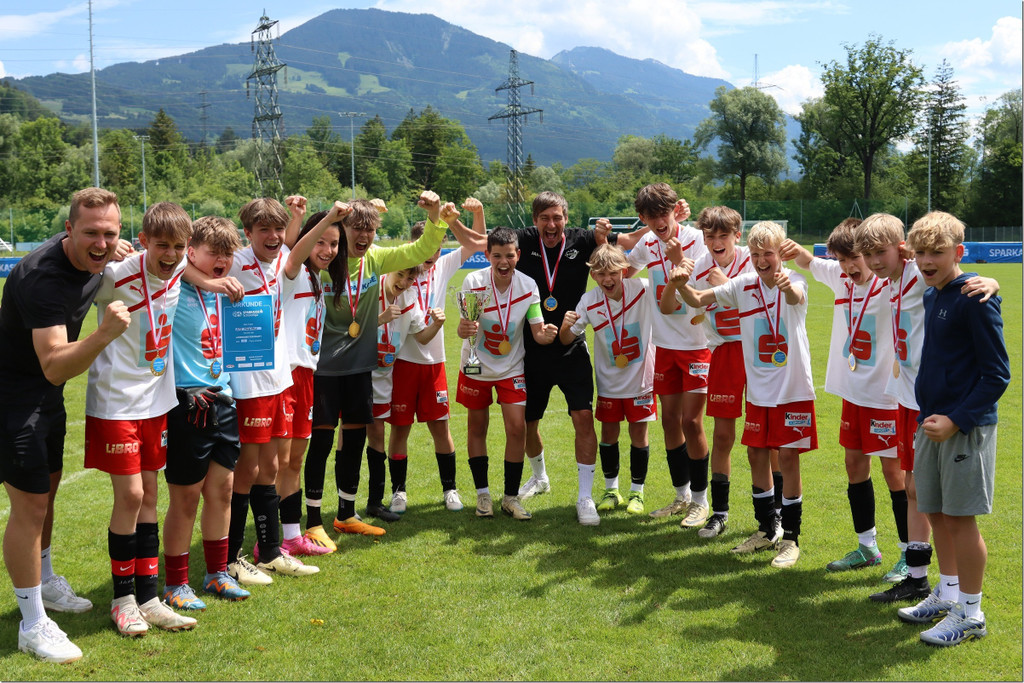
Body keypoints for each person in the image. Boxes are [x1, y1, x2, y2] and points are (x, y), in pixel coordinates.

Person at [0, 187, 131, 662]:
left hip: (44, 396)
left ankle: (46, 579)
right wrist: (104, 333)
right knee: (30, 505)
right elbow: (55, 366)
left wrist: (111, 248)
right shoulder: (42, 278)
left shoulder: (98, 254)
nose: (102, 243)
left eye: (110, 233)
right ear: (68, 230)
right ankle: (32, 624)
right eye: (91, 233)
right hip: (13, 398)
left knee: (49, 491)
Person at [855, 214, 1000, 604]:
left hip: (944, 407)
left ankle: (951, 596)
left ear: (900, 249)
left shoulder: (925, 278)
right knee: (920, 491)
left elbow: (960, 282)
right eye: (867, 254)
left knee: (938, 503)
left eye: (880, 252)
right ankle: (927, 580)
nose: (873, 261)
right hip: (914, 400)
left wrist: (991, 282)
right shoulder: (905, 282)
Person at [302, 192, 449, 539]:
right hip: (323, 369)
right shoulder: (323, 261)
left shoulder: (376, 258)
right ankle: (312, 521)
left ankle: (346, 514)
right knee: (321, 444)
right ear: (342, 229)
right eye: (357, 228)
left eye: (370, 229)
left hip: (359, 368)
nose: (364, 235)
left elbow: (420, 250)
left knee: (354, 441)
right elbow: (294, 252)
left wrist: (434, 216)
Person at [671, 221, 816, 568]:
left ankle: (791, 538)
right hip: (760, 390)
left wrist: (786, 287)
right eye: (755, 254)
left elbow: (795, 297)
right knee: (755, 454)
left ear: (781, 254)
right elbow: (698, 299)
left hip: (792, 388)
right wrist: (680, 285)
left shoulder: (795, 280)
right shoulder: (743, 284)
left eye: (768, 253)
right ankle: (766, 529)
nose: (762, 260)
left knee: (789, 458)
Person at [895, 212, 1009, 647]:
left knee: (961, 520)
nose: (926, 261)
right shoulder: (932, 294)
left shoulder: (975, 297)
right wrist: (932, 418)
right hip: (930, 423)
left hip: (963, 427)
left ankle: (971, 613)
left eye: (937, 252)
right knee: (936, 513)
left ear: (958, 252)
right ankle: (947, 593)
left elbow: (997, 375)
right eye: (920, 252)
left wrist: (956, 419)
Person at [511, 192, 659, 525]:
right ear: (535, 221)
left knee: (583, 418)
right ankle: (540, 477)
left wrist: (658, 225)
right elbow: (488, 246)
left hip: (571, 352)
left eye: (557, 217)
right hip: (532, 349)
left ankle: (585, 496)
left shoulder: (585, 239)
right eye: (545, 218)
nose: (552, 224)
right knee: (526, 424)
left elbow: (631, 240)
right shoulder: (523, 240)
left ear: (566, 218)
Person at [84, 202, 197, 635]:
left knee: (149, 494)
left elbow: (195, 265)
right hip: (116, 401)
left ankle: (149, 598)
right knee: (131, 495)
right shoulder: (115, 275)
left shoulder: (180, 264)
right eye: (162, 246)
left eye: (178, 246)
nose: (170, 255)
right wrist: (103, 251)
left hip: (156, 401)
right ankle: (123, 599)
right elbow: (75, 274)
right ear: (144, 241)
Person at [781, 221, 908, 580]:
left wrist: (987, 282)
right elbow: (808, 261)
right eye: (841, 259)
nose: (850, 266)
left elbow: (934, 272)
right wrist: (792, 248)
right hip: (853, 393)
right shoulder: (840, 277)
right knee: (854, 465)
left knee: (894, 473)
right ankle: (867, 547)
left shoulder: (892, 281)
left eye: (855, 257)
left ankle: (908, 553)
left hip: (886, 396)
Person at [218, 197, 318, 581]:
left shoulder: (282, 260)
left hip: (279, 376)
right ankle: (230, 557)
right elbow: (188, 264)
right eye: (264, 230)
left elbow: (296, 247)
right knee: (248, 468)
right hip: (248, 379)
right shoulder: (235, 261)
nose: (274, 236)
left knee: (273, 466)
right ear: (247, 232)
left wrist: (306, 219)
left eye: (279, 228)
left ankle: (271, 552)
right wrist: (212, 282)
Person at [161, 215, 251, 611]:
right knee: (185, 498)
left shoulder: (228, 289)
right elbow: (171, 263)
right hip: (188, 403)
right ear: (191, 250)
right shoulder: (173, 284)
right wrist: (208, 281)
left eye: (227, 254)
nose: (222, 261)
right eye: (214, 252)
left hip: (224, 400)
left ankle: (216, 573)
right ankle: (175, 584)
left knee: (222, 491)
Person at [387, 199, 488, 515]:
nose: (432, 254)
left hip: (435, 363)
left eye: (438, 246)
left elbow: (477, 244)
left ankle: (450, 489)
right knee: (399, 429)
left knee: (440, 428)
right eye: (428, 247)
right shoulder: (400, 269)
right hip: (402, 362)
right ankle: (398, 492)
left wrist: (477, 214)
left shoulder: (444, 265)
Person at [457, 228, 559, 520]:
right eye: (497, 255)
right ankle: (483, 495)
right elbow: (465, 327)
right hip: (476, 366)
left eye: (509, 255)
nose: (504, 262)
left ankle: (510, 498)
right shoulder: (473, 281)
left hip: (511, 367)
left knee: (517, 428)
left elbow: (537, 329)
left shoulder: (528, 285)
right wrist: (463, 329)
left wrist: (546, 334)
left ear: (518, 255)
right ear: (487, 255)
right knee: (477, 428)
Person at [662, 206, 751, 538]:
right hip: (724, 351)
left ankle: (776, 518)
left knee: (765, 440)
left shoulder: (753, 259)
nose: (716, 242)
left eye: (723, 235)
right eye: (710, 236)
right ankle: (719, 512)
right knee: (723, 435)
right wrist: (679, 279)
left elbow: (769, 301)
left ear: (736, 236)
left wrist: (728, 285)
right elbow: (687, 303)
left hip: (759, 354)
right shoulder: (698, 265)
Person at [627, 183, 711, 527]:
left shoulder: (699, 239)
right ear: (643, 218)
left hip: (698, 344)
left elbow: (709, 281)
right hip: (663, 346)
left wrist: (679, 261)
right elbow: (624, 271)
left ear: (676, 210)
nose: (660, 221)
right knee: (669, 421)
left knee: (692, 422)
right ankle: (682, 496)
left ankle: (701, 502)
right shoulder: (646, 243)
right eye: (652, 216)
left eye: (664, 213)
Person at [559, 244, 655, 524]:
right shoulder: (589, 300)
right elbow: (566, 339)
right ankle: (612, 490)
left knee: (639, 434)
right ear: (593, 276)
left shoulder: (643, 288)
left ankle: (637, 492)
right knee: (609, 434)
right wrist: (565, 326)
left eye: (613, 272)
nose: (607, 279)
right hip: (609, 382)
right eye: (601, 274)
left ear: (624, 270)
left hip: (641, 380)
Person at [277, 203, 342, 555]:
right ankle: (268, 542)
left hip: (306, 375)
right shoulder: (294, 271)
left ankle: (291, 537)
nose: (328, 250)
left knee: (294, 461)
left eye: (334, 243)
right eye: (321, 242)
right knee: (277, 463)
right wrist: (322, 219)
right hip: (286, 376)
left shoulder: (317, 277)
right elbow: (291, 253)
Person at [366, 267, 445, 519]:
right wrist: (380, 319)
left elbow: (421, 337)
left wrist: (437, 324)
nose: (404, 282)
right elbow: (348, 328)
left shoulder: (409, 297)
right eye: (400, 274)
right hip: (357, 373)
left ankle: (374, 503)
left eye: (410, 278)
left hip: (382, 376)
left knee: (377, 436)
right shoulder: (369, 287)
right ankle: (345, 507)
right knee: (350, 436)